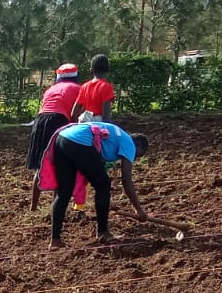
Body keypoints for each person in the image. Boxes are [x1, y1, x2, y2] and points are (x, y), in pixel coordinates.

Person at [41, 120, 149, 249]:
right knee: (103, 185)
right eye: (138, 156)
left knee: (64, 193)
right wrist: (138, 209)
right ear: (140, 147)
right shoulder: (130, 144)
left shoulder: (116, 137)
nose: (133, 159)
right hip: (79, 141)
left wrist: (107, 199)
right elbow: (126, 179)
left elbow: (96, 170)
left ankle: (55, 241)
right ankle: (103, 232)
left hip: (62, 138)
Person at [27, 64, 82, 209]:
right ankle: (56, 207)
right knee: (61, 166)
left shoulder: (50, 89)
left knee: (41, 164)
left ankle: (33, 206)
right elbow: (75, 114)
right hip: (59, 120)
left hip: (40, 121)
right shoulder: (78, 89)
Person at [75, 53, 115, 122]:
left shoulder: (84, 86)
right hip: (98, 123)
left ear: (91, 70)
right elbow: (106, 114)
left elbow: (75, 111)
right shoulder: (106, 87)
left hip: (84, 120)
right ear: (108, 69)